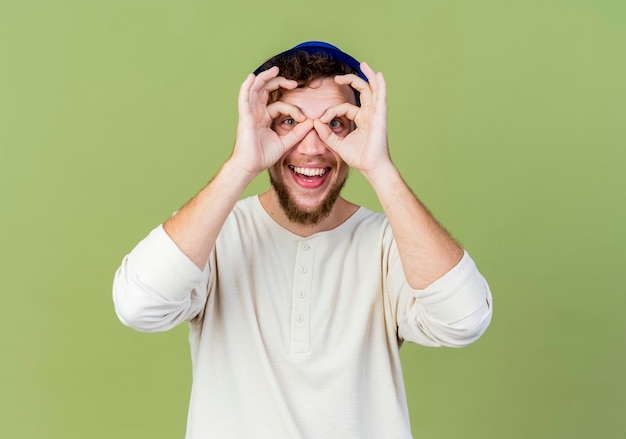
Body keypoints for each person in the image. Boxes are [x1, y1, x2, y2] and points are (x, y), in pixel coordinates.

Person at [113, 41, 493, 439]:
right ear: (261, 125)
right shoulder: (215, 231)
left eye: (335, 123)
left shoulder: (391, 243)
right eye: (289, 122)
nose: (312, 148)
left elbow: (464, 321)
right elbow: (138, 306)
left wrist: (380, 168)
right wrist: (240, 165)